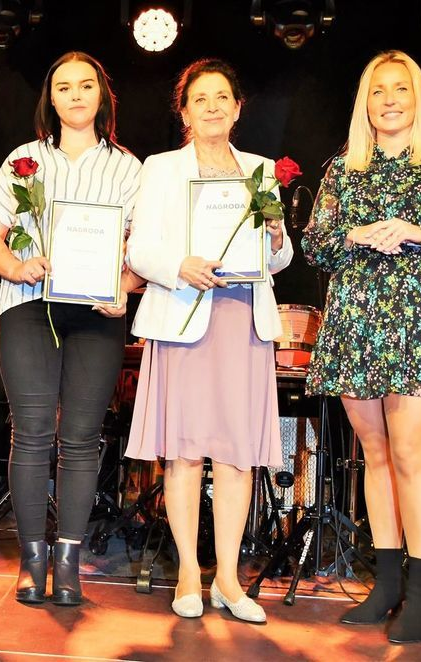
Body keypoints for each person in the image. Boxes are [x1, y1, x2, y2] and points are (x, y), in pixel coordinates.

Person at [302, 50, 421, 644]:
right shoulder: (344, 169)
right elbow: (314, 244)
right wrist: (353, 234)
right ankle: (385, 583)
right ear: (365, 102)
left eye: (400, 89)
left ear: (418, 98)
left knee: (412, 453)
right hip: (357, 323)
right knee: (375, 453)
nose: (389, 99)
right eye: (378, 90)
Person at [125, 58, 293, 622]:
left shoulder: (260, 169)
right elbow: (139, 249)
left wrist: (275, 237)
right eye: (201, 99)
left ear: (238, 108)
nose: (213, 107)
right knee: (185, 451)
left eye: (222, 97)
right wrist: (179, 265)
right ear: (185, 112)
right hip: (183, 316)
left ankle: (227, 578)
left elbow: (279, 259)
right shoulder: (161, 168)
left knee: (238, 454)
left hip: (242, 321)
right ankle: (187, 575)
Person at [0, 51, 141, 606]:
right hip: (27, 304)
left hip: (97, 313)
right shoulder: (23, 159)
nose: (75, 95)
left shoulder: (129, 168)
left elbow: (144, 248)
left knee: (82, 438)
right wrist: (15, 267)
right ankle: (32, 559)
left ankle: (68, 559)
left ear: (102, 95)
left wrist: (126, 285)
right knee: (31, 432)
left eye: (85, 85)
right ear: (50, 98)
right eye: (63, 86)